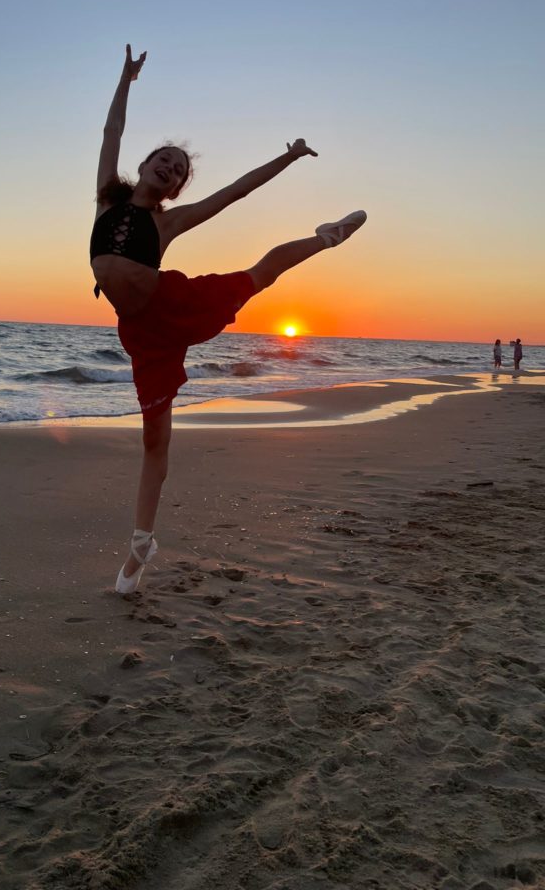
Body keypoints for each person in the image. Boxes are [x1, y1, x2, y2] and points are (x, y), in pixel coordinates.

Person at [91, 45, 367, 594]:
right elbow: (110, 133)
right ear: (145, 166)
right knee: (154, 442)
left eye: (178, 171)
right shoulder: (106, 199)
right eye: (164, 160)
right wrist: (125, 80)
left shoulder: (168, 224)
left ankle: (325, 236)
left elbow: (236, 191)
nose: (169, 169)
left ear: (174, 189)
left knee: (257, 275)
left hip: (171, 305)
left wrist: (287, 158)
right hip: (141, 334)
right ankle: (140, 547)